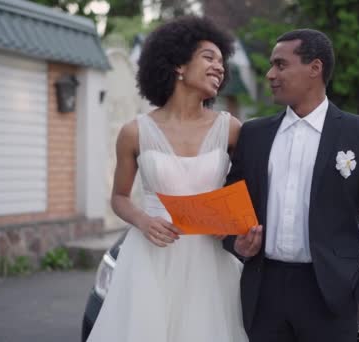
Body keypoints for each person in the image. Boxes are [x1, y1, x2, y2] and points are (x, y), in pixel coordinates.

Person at [224, 29, 359, 341]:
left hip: (330, 297)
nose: (270, 74)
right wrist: (235, 243)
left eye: (281, 65)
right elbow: (229, 208)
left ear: (315, 68)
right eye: (271, 65)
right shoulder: (254, 135)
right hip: (263, 292)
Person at [86, 16, 248, 342]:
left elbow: (248, 191)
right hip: (150, 257)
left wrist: (234, 224)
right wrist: (144, 221)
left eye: (221, 61)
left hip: (211, 261)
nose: (219, 67)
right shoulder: (134, 133)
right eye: (208, 57)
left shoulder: (231, 130)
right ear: (178, 65)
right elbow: (118, 197)